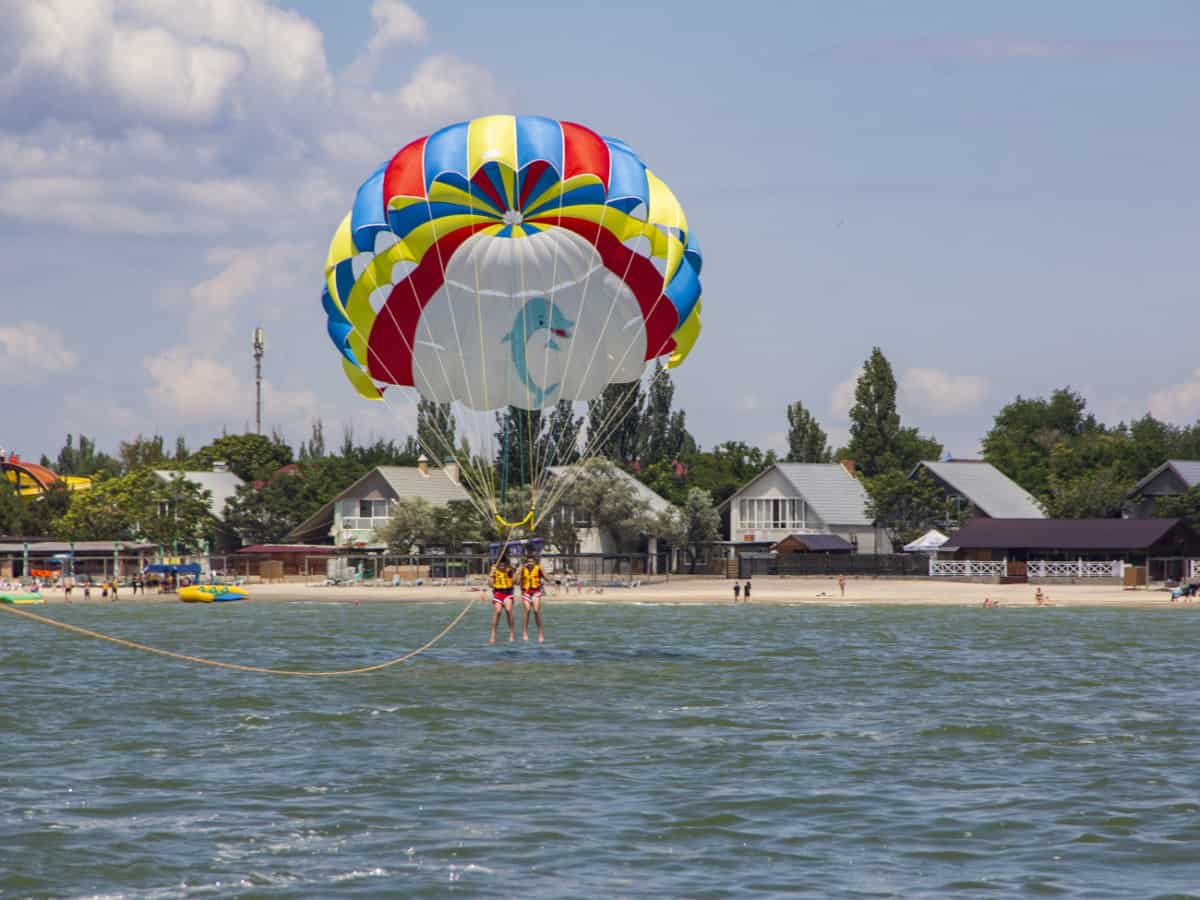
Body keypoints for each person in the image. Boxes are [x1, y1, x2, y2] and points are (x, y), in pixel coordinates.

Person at [488, 555, 516, 644]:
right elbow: (490, 585)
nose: (502, 566)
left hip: (508, 593)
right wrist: (491, 574)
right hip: (498, 593)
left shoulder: (509, 570)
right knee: (498, 611)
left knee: (508, 610)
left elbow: (515, 582)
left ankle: (511, 632)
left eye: (503, 565)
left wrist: (515, 572)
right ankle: (493, 633)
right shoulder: (494, 571)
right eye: (500, 565)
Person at [519, 555, 546, 642]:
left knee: (536, 611)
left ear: (535, 562)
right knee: (527, 611)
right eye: (529, 562)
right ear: (526, 562)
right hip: (526, 592)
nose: (530, 563)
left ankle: (540, 633)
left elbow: (548, 579)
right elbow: (515, 582)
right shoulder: (523, 569)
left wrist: (543, 571)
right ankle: (524, 632)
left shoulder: (538, 568)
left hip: (536, 592)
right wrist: (517, 572)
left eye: (532, 562)